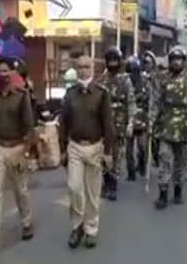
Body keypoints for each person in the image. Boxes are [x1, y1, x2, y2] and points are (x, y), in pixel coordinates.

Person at [0, 57, 36, 261]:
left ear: (12, 73)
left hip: (17, 148)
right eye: (0, 71)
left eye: (6, 71)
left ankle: (27, 222)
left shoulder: (21, 97)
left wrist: (27, 152)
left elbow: (29, 127)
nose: (3, 74)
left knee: (20, 190)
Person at [59, 55, 115, 249]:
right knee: (74, 189)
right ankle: (76, 227)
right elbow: (63, 123)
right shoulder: (70, 94)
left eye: (86, 66)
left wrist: (108, 152)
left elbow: (108, 125)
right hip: (74, 147)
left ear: (93, 68)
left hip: (94, 148)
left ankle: (91, 229)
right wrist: (62, 150)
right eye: (80, 67)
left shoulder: (101, 93)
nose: (83, 70)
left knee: (92, 193)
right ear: (76, 69)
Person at [150, 46, 187, 210]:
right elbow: (156, 103)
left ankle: (178, 192)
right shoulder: (164, 81)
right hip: (166, 129)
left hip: (185, 129)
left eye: (179, 60)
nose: (176, 62)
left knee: (180, 164)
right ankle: (162, 194)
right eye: (173, 59)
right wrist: (152, 122)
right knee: (164, 160)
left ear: (183, 62)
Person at [96, 47, 135, 201]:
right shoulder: (101, 81)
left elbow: (131, 102)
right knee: (104, 156)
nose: (112, 63)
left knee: (117, 156)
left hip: (119, 125)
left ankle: (113, 186)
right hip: (103, 126)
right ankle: (106, 182)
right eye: (110, 60)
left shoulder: (125, 80)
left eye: (115, 60)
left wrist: (131, 123)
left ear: (119, 62)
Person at [125, 55, 149, 180]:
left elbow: (151, 99)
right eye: (130, 71)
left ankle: (142, 165)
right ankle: (131, 172)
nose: (132, 74)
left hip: (142, 120)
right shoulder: (124, 82)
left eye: (134, 71)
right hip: (129, 120)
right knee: (128, 150)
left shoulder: (145, 81)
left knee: (142, 147)